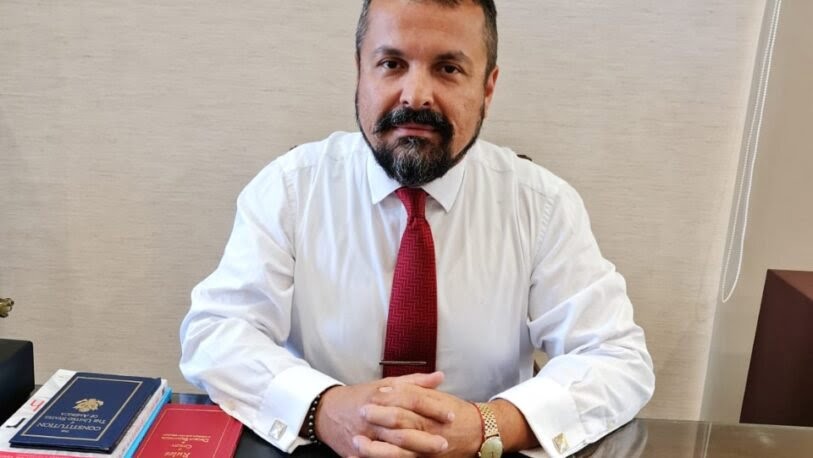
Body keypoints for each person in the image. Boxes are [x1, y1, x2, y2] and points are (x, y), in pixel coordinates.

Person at [179, 1, 655, 457]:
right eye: (392, 64)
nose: (415, 95)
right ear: (361, 72)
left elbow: (618, 360)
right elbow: (216, 334)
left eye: (448, 68)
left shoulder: (542, 205)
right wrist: (323, 409)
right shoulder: (289, 189)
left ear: (487, 88)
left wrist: (488, 426)